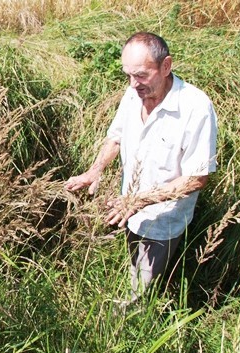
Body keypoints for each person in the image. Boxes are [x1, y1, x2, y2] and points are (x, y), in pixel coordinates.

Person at [65, 32, 217, 304]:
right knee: (132, 266)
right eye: (128, 75)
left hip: (162, 221)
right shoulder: (134, 94)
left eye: (142, 75)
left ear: (166, 66)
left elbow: (197, 178)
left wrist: (141, 200)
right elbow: (116, 137)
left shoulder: (196, 108)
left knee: (140, 292)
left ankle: (130, 323)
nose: (134, 84)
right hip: (128, 209)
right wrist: (94, 170)